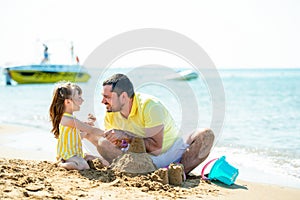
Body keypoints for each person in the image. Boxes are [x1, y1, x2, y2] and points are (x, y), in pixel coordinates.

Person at [88, 73, 215, 174]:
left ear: (123, 97)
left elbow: (156, 149)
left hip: (169, 151)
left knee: (206, 135)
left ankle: (179, 171)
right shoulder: (111, 112)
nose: (103, 101)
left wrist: (126, 135)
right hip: (140, 159)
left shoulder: (150, 106)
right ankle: (145, 172)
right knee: (102, 143)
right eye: (103, 96)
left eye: (108, 97)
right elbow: (119, 146)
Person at [49, 81, 108, 170]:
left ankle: (79, 161)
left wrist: (88, 125)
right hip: (67, 155)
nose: (82, 100)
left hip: (76, 153)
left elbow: (78, 137)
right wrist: (107, 134)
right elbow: (91, 130)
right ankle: (61, 164)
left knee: (100, 160)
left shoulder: (71, 118)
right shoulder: (68, 119)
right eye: (79, 97)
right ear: (68, 102)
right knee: (83, 166)